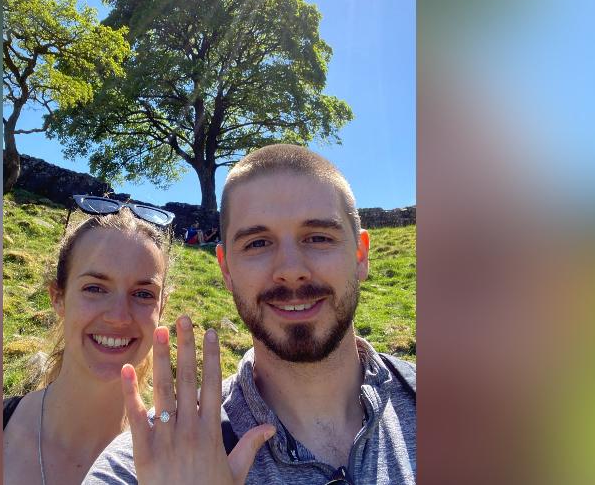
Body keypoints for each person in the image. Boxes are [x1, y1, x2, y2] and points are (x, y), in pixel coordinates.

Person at [85, 144, 416, 484]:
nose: (290, 270)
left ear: (360, 255)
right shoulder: (144, 467)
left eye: (318, 237)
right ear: (226, 269)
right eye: (257, 243)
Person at [3, 201, 173, 485]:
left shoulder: (180, 464)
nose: (119, 316)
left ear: (162, 308)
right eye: (95, 288)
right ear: (58, 297)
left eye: (143, 294)